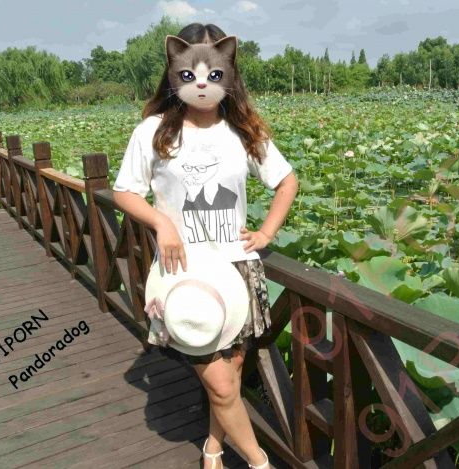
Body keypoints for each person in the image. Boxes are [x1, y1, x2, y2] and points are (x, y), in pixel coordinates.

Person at [111, 22, 298, 469]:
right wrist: (161, 222)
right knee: (220, 384)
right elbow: (124, 192)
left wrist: (266, 233)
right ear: (175, 71)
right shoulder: (154, 131)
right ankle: (260, 463)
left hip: (236, 269)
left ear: (228, 71)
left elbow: (287, 181)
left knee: (230, 376)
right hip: (184, 274)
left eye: (213, 71)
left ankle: (213, 448)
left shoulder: (243, 130)